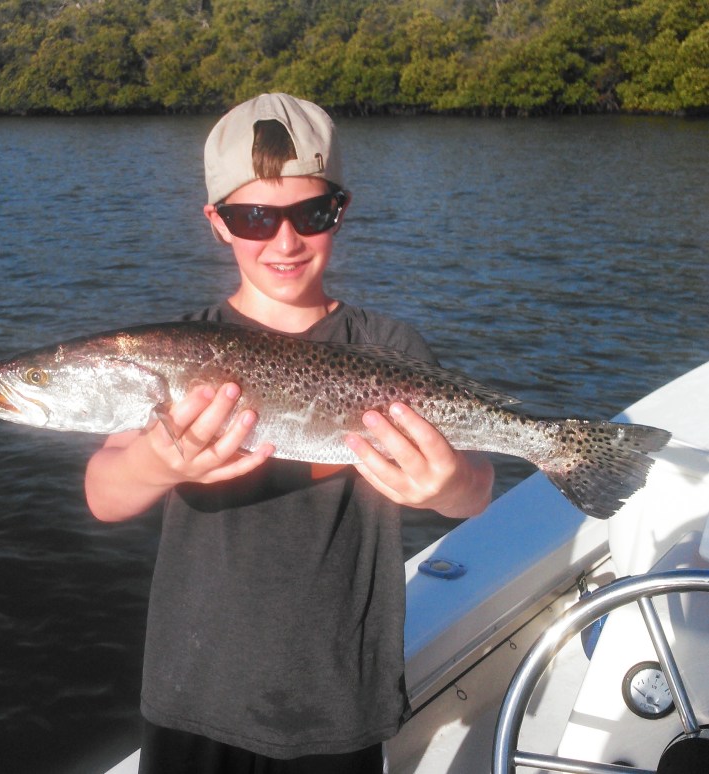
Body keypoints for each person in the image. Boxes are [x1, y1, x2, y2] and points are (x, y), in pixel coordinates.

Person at [85, 93, 494, 774]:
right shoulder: (171, 350)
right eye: (253, 217)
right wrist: (160, 462)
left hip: (336, 700)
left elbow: (474, 490)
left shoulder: (388, 346)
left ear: (342, 209)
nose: (284, 241)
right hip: (191, 692)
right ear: (216, 224)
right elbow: (104, 494)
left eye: (311, 214)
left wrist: (448, 482)